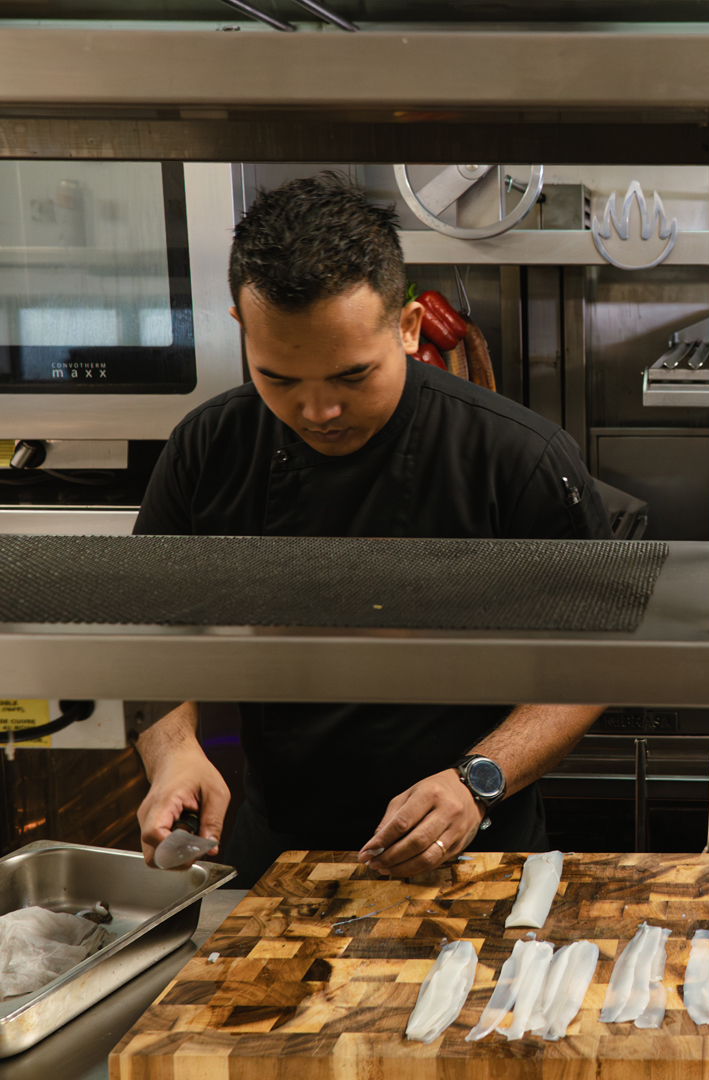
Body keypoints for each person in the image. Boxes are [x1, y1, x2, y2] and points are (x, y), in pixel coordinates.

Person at [132, 173, 611, 888]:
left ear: (410, 326)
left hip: (473, 848)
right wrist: (172, 750)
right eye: (281, 379)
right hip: (282, 851)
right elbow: (149, 626)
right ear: (242, 328)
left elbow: (594, 660)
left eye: (352, 376)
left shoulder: (515, 457)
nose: (319, 409)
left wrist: (480, 779)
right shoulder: (210, 449)